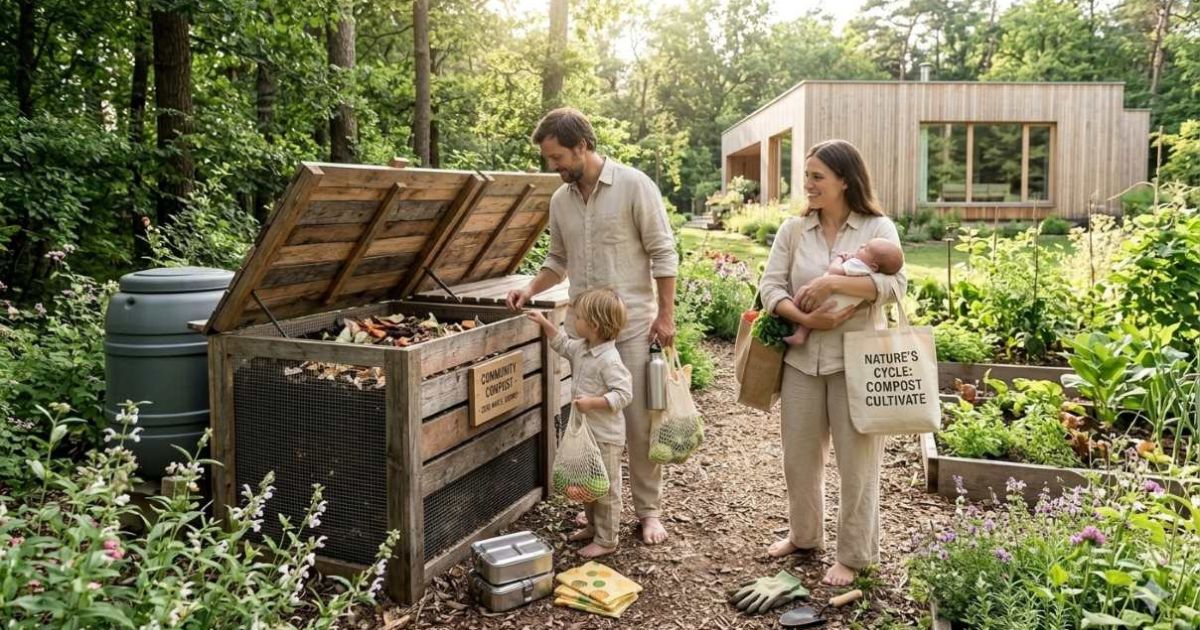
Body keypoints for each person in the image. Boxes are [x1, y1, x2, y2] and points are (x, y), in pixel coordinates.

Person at [506, 107, 678, 545]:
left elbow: (663, 253)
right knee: (588, 420)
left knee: (638, 424)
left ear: (582, 146)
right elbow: (557, 263)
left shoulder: (635, 185)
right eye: (549, 159)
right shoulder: (560, 200)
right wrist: (529, 289)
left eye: (557, 156)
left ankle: (648, 511)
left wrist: (666, 314)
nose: (553, 166)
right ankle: (598, 502)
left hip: (634, 328)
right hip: (586, 334)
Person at [758, 139, 907, 586]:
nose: (808, 185)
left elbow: (896, 285)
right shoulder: (792, 231)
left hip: (857, 364)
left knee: (857, 465)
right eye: (806, 176)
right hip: (802, 361)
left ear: (845, 180)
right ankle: (804, 536)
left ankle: (854, 555)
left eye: (817, 176)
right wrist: (806, 316)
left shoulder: (878, 229)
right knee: (799, 459)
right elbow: (770, 289)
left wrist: (828, 283)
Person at [528, 288, 632, 558]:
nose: (574, 320)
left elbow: (624, 394)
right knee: (588, 483)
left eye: (579, 317)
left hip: (605, 436)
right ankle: (593, 527)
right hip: (586, 435)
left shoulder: (609, 360)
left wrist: (594, 402)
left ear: (594, 325)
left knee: (607, 489)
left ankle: (607, 539)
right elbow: (562, 343)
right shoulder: (583, 348)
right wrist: (544, 322)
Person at [782, 237, 905, 345]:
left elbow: (834, 271)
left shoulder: (858, 265)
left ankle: (795, 311)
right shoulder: (870, 272)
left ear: (874, 266)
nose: (862, 246)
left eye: (866, 249)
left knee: (805, 290)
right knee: (811, 318)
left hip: (829, 301)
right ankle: (801, 334)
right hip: (841, 306)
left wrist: (840, 258)